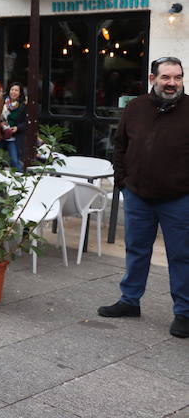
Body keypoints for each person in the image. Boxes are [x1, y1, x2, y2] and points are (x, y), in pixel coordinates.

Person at [98, 57, 189, 339]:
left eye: (178, 77)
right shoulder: (135, 107)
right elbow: (120, 146)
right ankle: (130, 301)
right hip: (137, 195)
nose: (172, 83)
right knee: (136, 250)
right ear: (152, 79)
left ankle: (184, 312)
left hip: (179, 198)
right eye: (166, 77)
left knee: (182, 255)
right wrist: (122, 182)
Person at [0, 82, 26, 170]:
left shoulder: (23, 106)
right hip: (0, 135)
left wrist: (17, 128)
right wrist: (1, 123)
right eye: (12, 89)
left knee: (14, 161)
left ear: (20, 93)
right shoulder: (2, 102)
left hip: (13, 138)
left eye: (16, 90)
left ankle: (22, 179)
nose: (13, 92)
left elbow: (26, 122)